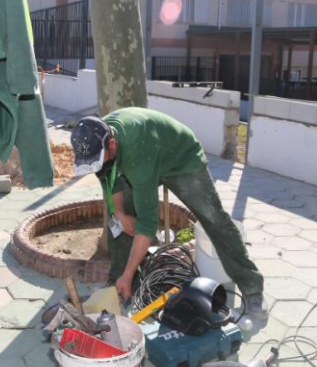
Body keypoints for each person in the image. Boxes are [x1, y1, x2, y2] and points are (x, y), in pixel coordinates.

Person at [71, 107, 268, 319]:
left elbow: (148, 223)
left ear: (112, 143)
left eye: (99, 159)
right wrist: (119, 213)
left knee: (213, 218)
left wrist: (130, 264)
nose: (96, 165)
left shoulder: (135, 147)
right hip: (144, 158)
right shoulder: (96, 137)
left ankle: (251, 287)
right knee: (119, 221)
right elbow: (107, 177)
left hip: (181, 160)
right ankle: (121, 285)